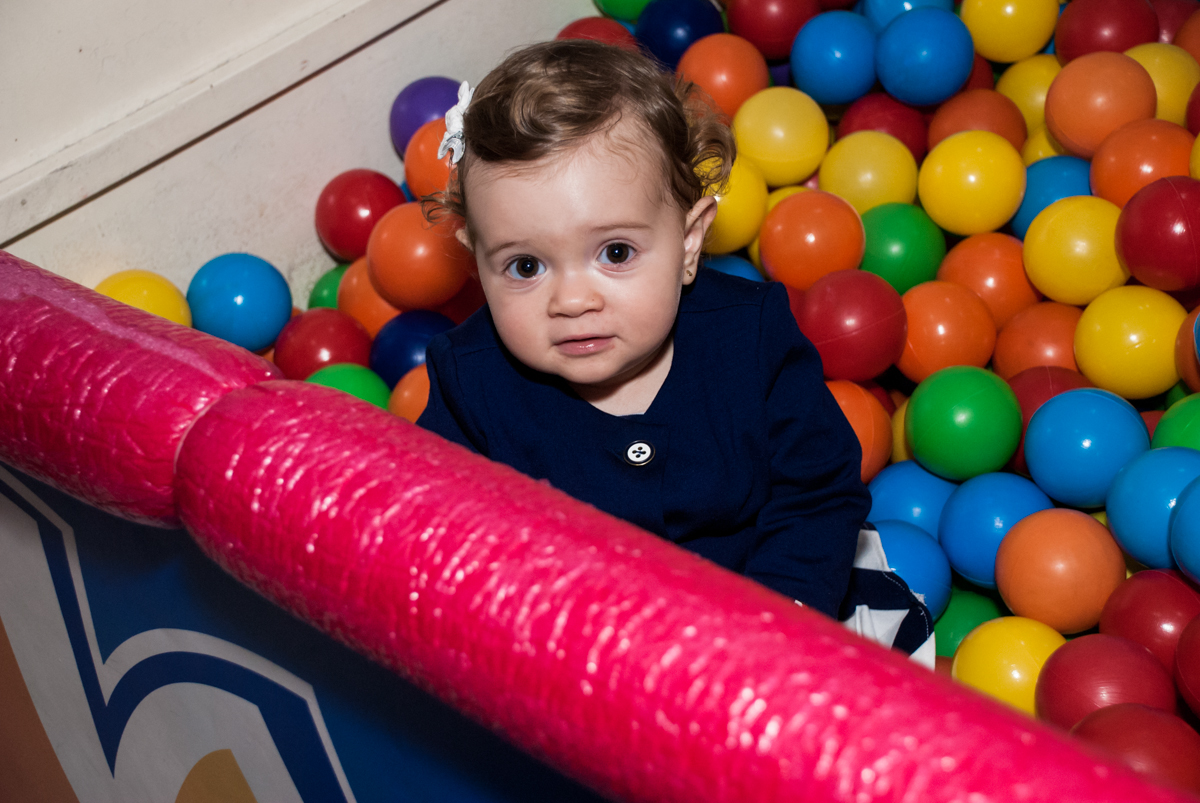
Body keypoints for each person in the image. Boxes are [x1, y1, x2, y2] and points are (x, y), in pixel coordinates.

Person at [417, 39, 933, 662]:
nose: (573, 300)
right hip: (581, 643)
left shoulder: (752, 338)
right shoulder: (470, 381)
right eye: (525, 265)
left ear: (689, 241)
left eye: (615, 253)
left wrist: (775, 627)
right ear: (476, 258)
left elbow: (817, 494)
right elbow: (446, 533)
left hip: (775, 602)